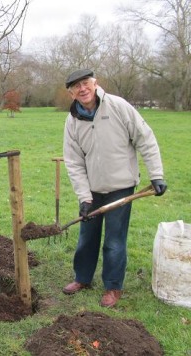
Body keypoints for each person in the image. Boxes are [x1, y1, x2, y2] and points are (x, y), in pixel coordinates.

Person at [62, 69, 167, 308]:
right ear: (71, 93)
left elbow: (145, 139)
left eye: (86, 83)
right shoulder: (72, 121)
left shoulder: (118, 107)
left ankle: (112, 286)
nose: (83, 88)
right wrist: (84, 197)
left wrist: (157, 175)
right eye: (76, 86)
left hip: (121, 186)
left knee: (114, 240)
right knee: (87, 237)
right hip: (92, 190)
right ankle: (82, 278)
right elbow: (74, 162)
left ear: (95, 83)